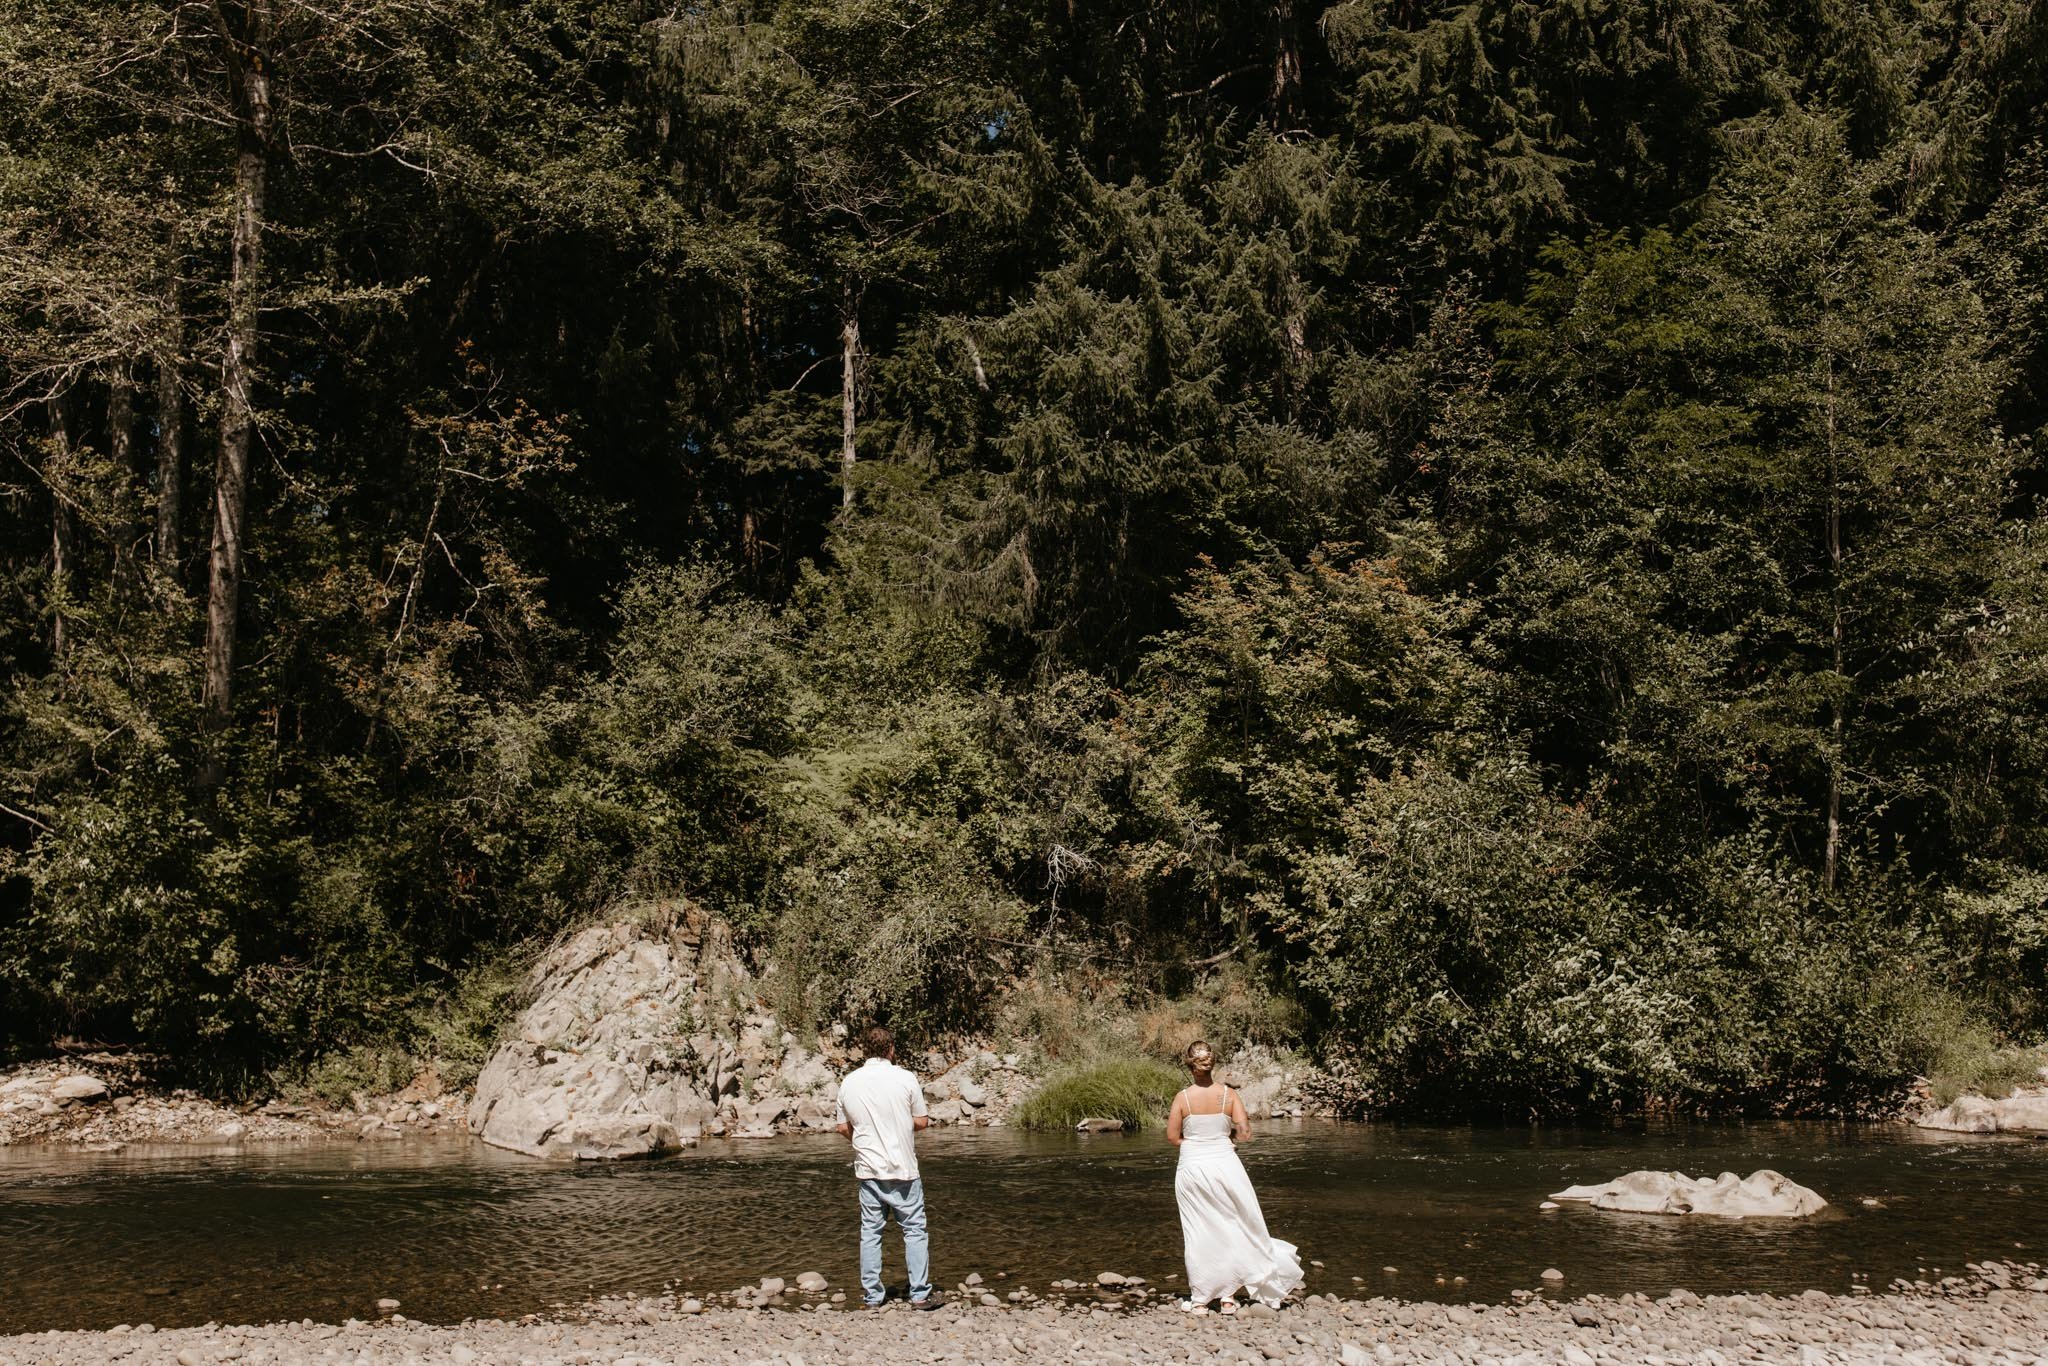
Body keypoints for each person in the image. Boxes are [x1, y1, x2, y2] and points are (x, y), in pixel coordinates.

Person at [1166, 1039, 1303, 1314]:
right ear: (1212, 1064)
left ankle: (1201, 1299)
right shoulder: (1229, 1095)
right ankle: (1228, 1297)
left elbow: (1172, 1137)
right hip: (1226, 1165)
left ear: (1190, 1066)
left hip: (1193, 1167)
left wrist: (1196, 1144)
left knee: (1198, 1231)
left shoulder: (1182, 1098)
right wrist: (1225, 1137)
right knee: (1232, 1226)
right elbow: (1245, 1134)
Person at [834, 1026, 942, 1309]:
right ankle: (919, 1294)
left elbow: (842, 1127)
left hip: (868, 1169)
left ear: (864, 1050)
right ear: (891, 1049)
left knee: (871, 1232)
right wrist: (898, 1127)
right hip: (903, 1168)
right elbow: (922, 1121)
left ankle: (872, 1297)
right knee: (914, 1231)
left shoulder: (849, 1082)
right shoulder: (906, 1078)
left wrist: (864, 1138)